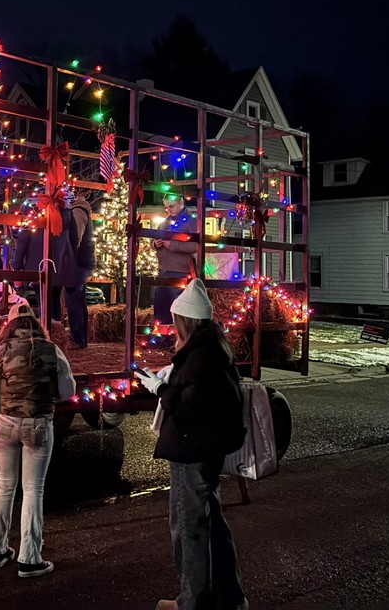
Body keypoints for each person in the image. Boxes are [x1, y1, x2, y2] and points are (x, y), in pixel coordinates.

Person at [137, 279, 247, 610]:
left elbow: (188, 409)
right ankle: (229, 597)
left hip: (193, 450)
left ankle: (192, 601)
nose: (172, 328)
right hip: (205, 447)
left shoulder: (201, 357)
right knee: (210, 524)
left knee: (189, 529)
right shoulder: (212, 349)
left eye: (175, 321)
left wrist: (158, 388)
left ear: (185, 321)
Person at [0, 303, 76, 578]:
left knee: (4, 486)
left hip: (5, 423)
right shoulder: (52, 350)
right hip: (38, 424)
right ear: (36, 324)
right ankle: (29, 558)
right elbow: (67, 391)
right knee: (33, 490)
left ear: (10, 325)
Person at [152, 194, 198, 327]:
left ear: (181, 202)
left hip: (180, 271)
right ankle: (162, 335)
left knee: (179, 308)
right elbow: (152, 240)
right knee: (161, 305)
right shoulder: (164, 223)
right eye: (166, 207)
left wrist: (172, 245)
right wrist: (155, 244)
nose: (169, 210)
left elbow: (196, 246)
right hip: (163, 271)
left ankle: (180, 335)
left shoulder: (191, 222)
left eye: (171, 206)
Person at [63, 191, 95, 349]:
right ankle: (80, 338)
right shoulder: (80, 210)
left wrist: (68, 259)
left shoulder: (77, 212)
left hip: (78, 262)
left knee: (73, 298)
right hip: (81, 261)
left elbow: (76, 238)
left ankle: (77, 338)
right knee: (77, 299)